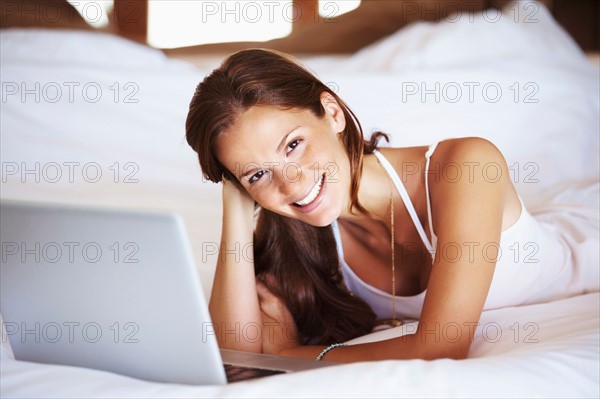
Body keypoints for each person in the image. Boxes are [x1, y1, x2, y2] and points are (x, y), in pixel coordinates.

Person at [185, 48, 596, 363]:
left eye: (293, 145)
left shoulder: (467, 166)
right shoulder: (293, 232)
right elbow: (234, 355)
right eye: (257, 174)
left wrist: (289, 355)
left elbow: (442, 346)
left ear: (332, 113)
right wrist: (237, 207)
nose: (291, 184)